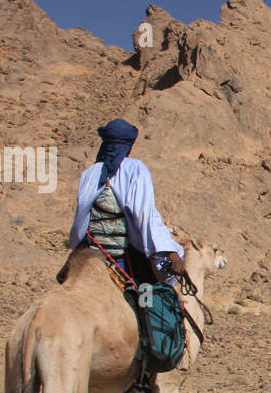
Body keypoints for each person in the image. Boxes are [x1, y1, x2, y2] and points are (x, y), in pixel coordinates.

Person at [68, 119, 185, 285]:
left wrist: (77, 244)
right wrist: (169, 250)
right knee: (156, 296)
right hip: (121, 255)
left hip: (89, 249)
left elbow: (81, 215)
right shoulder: (135, 169)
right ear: (129, 145)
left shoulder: (90, 173)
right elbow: (143, 214)